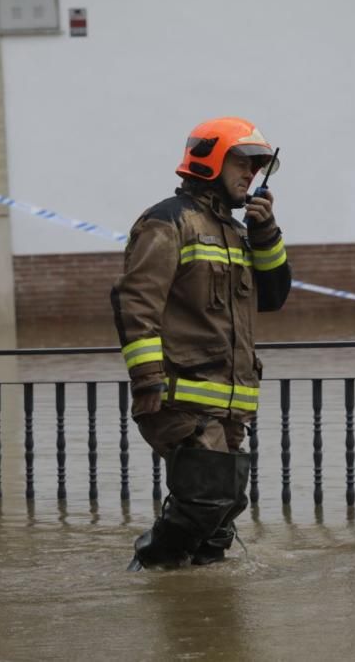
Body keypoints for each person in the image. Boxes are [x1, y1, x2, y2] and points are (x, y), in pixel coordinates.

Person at [111, 116, 291, 570]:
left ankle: (199, 601)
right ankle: (149, 571)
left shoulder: (237, 230)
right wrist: (148, 381)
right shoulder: (167, 222)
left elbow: (273, 297)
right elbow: (137, 303)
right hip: (181, 395)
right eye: (242, 162)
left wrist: (266, 234)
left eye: (257, 166)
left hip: (230, 401)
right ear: (211, 160)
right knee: (206, 498)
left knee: (226, 508)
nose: (250, 173)